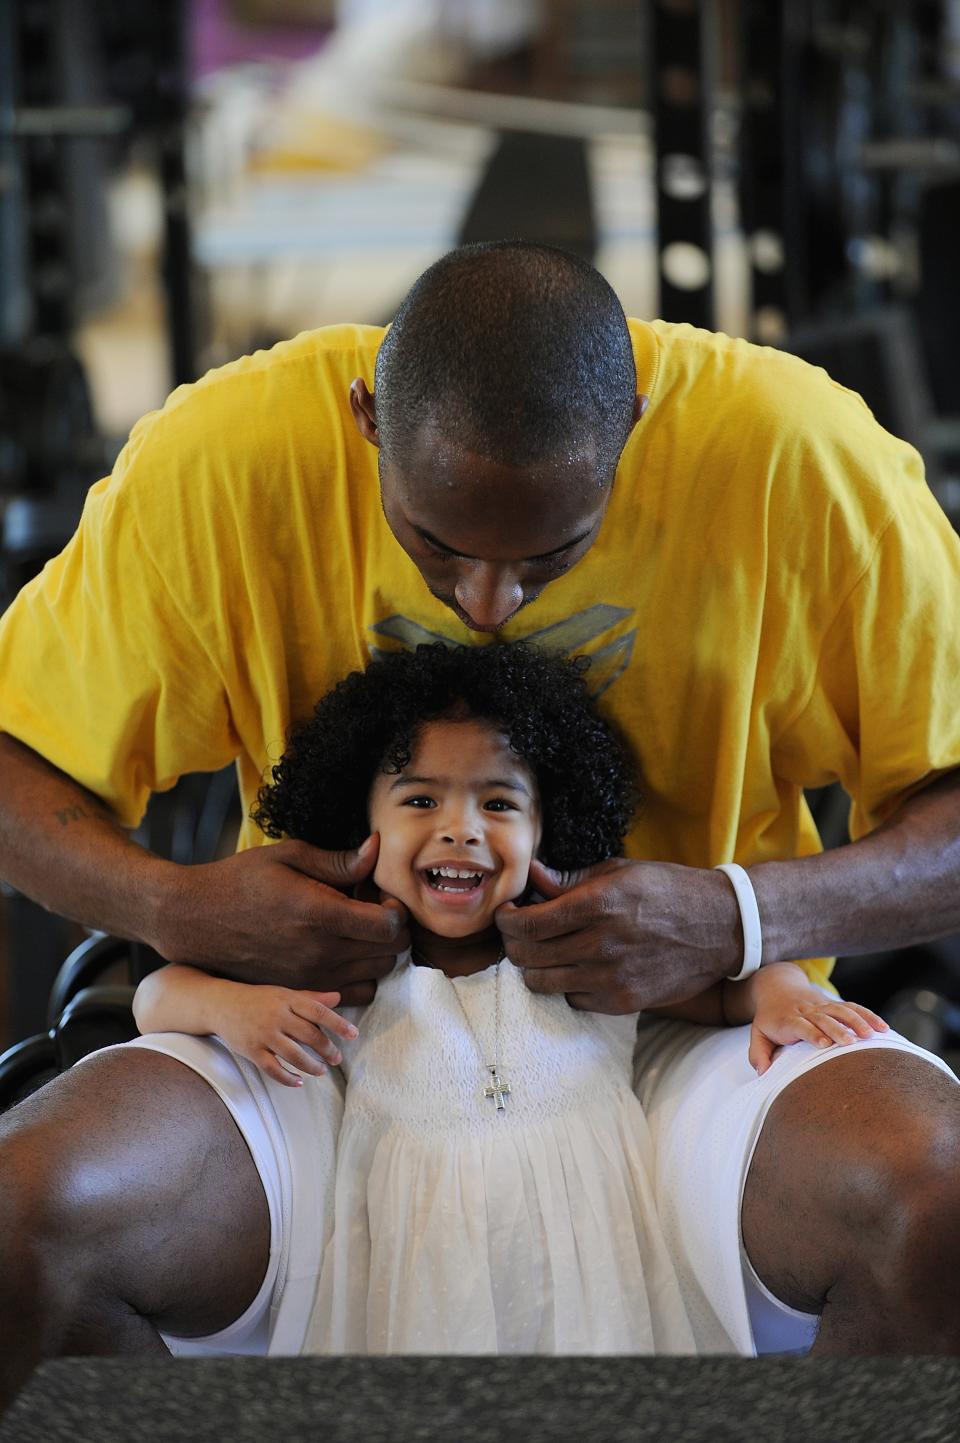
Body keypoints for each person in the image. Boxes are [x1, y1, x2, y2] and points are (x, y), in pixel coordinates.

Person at [0, 241, 959, 1405]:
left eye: (550, 554)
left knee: (938, 1190)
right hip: (324, 1037)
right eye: (437, 544)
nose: (487, 604)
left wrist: (734, 918)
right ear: (365, 420)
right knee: (25, 1212)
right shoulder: (225, 459)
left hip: (678, 1036)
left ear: (635, 430)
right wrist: (174, 907)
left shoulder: (796, 455)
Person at [129, 641, 889, 1354]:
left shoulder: (588, 962)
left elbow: (726, 993)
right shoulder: (347, 971)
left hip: (602, 1290)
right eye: (420, 801)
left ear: (545, 830)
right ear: (360, 827)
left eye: (498, 804)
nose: (460, 830)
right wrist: (234, 1010)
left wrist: (784, 989)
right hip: (409, 1293)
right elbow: (156, 995)